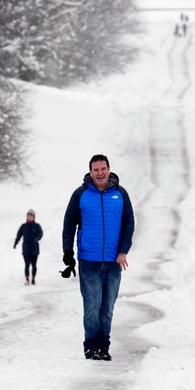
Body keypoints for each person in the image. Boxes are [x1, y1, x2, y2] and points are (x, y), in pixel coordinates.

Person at [61, 154, 135, 361]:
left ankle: (104, 346)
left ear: (109, 170)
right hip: (88, 261)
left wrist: (123, 250)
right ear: (90, 172)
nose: (100, 173)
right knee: (92, 306)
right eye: (96, 170)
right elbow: (69, 223)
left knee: (107, 308)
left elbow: (129, 223)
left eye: (103, 169)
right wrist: (68, 252)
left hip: (113, 262)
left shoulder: (120, 194)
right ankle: (91, 346)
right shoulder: (81, 194)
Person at [13, 209, 42, 285]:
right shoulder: (23, 226)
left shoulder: (37, 226)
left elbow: (40, 233)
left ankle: (33, 278)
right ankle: (27, 278)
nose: (29, 217)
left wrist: (37, 238)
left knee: (34, 265)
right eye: (28, 216)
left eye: (31, 216)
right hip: (26, 249)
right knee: (27, 265)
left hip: (34, 249)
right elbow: (18, 235)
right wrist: (16, 243)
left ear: (34, 217)